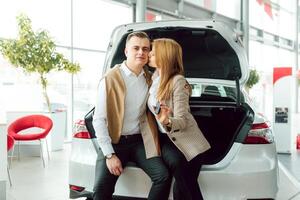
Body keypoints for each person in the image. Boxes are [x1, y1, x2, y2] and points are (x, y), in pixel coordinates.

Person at [92, 32, 171, 200]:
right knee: (100, 191)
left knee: (163, 176)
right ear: (126, 51)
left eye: (145, 49)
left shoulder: (150, 79)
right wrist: (109, 155)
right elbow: (98, 120)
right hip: (114, 143)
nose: (141, 52)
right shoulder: (110, 79)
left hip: (138, 142)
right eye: (136, 48)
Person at [148, 38, 211, 200]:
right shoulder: (152, 79)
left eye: (153, 53)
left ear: (164, 56)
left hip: (188, 141)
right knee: (181, 186)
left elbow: (182, 121)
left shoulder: (178, 81)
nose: (149, 55)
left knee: (183, 189)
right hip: (165, 140)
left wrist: (167, 120)